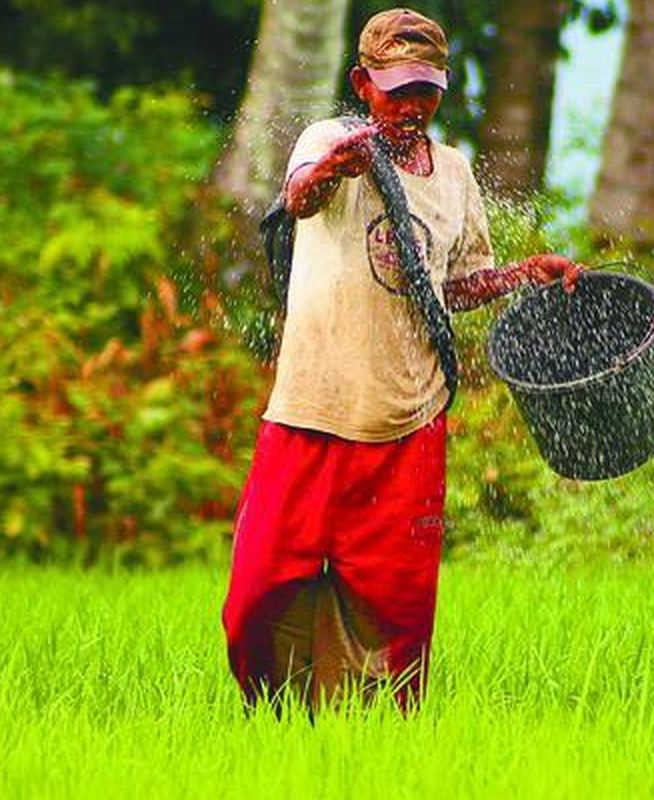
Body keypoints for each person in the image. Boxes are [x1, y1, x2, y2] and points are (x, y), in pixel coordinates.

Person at [221, 7, 581, 712]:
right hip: (311, 411)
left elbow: (453, 287)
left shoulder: (454, 174)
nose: (412, 105)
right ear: (363, 84)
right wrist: (337, 167)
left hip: (408, 421)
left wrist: (521, 275)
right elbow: (298, 198)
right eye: (397, 90)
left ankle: (369, 735)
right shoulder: (330, 140)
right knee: (258, 591)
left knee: (396, 611)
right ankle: (276, 716)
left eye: (426, 90)